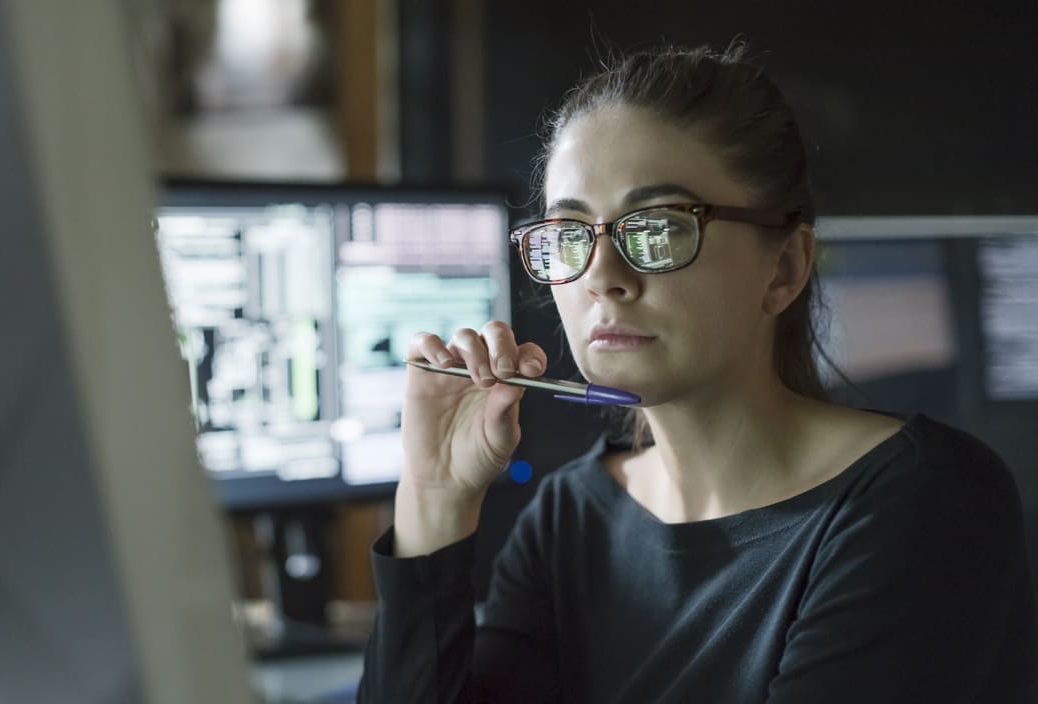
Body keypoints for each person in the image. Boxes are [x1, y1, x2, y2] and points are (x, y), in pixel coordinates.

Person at [357, 43, 1037, 703]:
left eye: (657, 228)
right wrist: (435, 497)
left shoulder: (925, 503)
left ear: (784, 269)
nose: (602, 278)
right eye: (569, 233)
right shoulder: (569, 518)